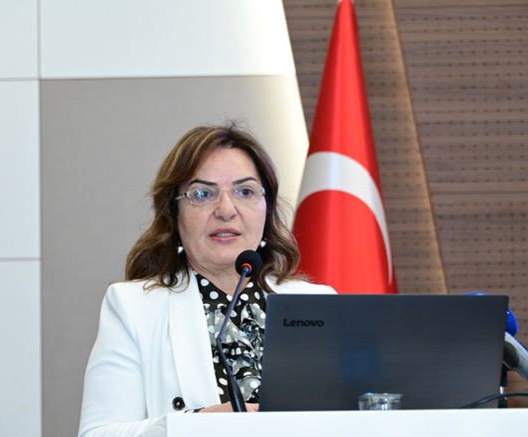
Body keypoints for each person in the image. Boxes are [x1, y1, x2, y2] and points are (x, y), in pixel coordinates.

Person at [78, 123, 336, 436]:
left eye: (245, 192)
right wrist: (197, 423)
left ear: (266, 209)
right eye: (202, 194)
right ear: (174, 214)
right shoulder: (133, 307)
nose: (226, 210)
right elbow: (98, 433)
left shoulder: (319, 303)